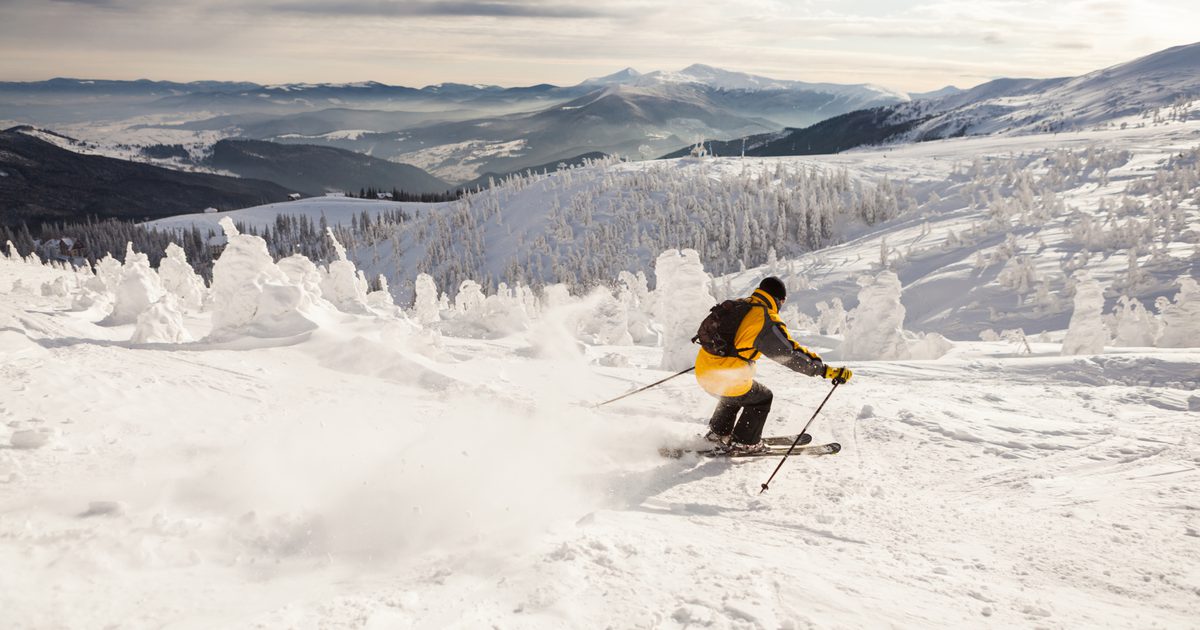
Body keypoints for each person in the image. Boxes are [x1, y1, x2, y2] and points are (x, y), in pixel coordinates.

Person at [694, 276, 852, 453]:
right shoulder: (765, 319)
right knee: (762, 398)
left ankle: (718, 433)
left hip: (703, 372)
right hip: (725, 376)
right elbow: (790, 355)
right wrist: (823, 370)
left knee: (736, 393)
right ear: (780, 300)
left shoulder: (740, 305)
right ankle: (745, 442)